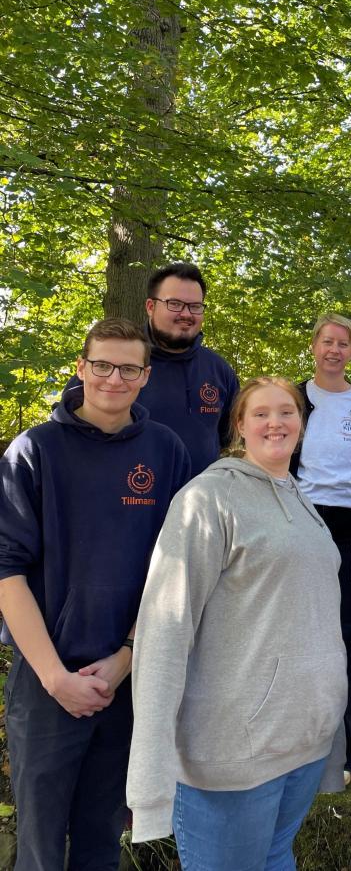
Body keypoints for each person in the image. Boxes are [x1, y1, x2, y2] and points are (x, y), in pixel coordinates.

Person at [127, 376, 348, 870]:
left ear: (302, 423)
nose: (276, 422)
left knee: (276, 857)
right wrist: (150, 770)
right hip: (232, 753)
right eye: (261, 413)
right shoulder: (208, 498)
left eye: (287, 412)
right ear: (240, 426)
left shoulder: (300, 499)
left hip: (302, 743)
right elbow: (166, 627)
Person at [0, 318, 190, 871]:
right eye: (102, 365)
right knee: (40, 849)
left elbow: (176, 571)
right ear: (81, 368)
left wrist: (126, 658)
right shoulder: (33, 450)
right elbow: (6, 572)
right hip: (46, 681)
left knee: (101, 842)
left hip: (128, 680)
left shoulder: (166, 450)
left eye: (129, 368)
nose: (114, 378)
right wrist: (55, 678)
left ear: (146, 376)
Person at [290, 312, 351, 782]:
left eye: (343, 343)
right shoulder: (292, 398)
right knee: (298, 629)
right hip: (303, 522)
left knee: (348, 635)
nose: (334, 350)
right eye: (327, 341)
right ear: (314, 345)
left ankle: (344, 754)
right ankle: (292, 745)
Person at [142, 262, 239, 474]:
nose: (186, 314)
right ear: (150, 307)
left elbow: (233, 438)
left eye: (195, 306)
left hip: (203, 493)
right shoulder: (120, 364)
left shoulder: (219, 370)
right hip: (134, 491)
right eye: (175, 304)